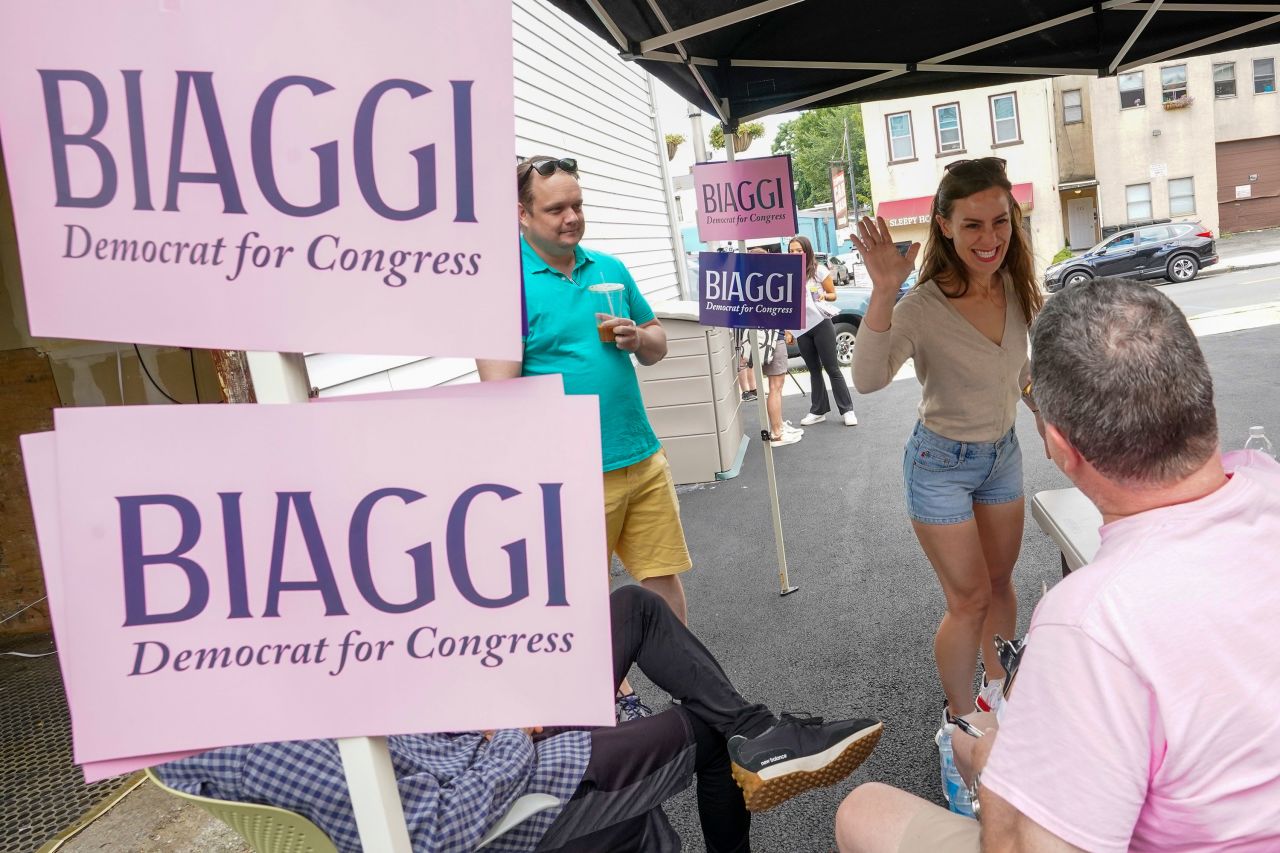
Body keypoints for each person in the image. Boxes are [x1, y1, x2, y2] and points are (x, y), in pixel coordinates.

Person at [835, 276, 1280, 852]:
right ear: (1198, 391)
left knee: (863, 809)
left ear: (1059, 448)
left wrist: (994, 761)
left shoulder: (1088, 623)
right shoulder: (1264, 478)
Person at [158, 587, 885, 853]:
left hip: (469, 739)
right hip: (517, 793)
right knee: (700, 727)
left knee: (631, 609)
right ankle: (754, 742)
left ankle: (761, 734)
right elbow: (441, 828)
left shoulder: (235, 688)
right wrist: (513, 727)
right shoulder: (263, 736)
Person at [478, 155, 691, 720]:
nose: (571, 218)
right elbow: (497, 394)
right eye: (556, 209)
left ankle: (686, 688)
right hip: (568, 474)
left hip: (639, 454)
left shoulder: (609, 268)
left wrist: (637, 340)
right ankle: (613, 701)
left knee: (661, 578)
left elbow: (659, 341)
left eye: (577, 205)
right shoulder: (504, 287)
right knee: (584, 597)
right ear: (520, 214)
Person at [850, 158, 1042, 720]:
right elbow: (867, 378)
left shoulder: (1014, 285)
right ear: (944, 226)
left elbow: (1019, 371)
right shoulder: (921, 306)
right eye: (973, 225)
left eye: (1000, 221)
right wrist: (885, 290)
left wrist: (1047, 417)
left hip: (1001, 456)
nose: (990, 238)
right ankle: (961, 725)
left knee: (1002, 584)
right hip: (941, 464)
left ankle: (999, 696)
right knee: (969, 600)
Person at [788, 235, 857, 428]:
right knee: (813, 370)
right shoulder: (787, 273)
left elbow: (833, 295)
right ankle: (818, 411)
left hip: (820, 323)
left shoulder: (818, 270)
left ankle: (847, 410)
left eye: (798, 250)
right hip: (800, 328)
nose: (794, 254)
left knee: (832, 368)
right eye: (791, 251)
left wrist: (823, 295)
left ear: (806, 251)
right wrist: (788, 330)